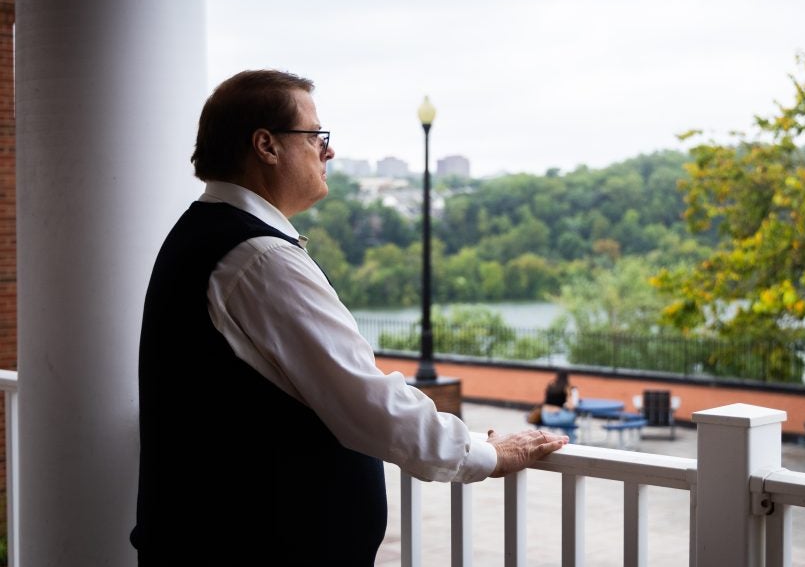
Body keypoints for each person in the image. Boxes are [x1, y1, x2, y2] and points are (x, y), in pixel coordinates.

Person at [131, 70, 567, 566]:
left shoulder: (203, 233)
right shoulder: (258, 259)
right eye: (316, 136)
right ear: (266, 146)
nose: (328, 151)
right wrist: (486, 455)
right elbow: (365, 401)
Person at [541, 369, 579, 443]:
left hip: (545, 416)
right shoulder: (566, 387)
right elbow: (571, 406)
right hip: (557, 417)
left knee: (568, 422)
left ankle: (570, 438)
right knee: (572, 416)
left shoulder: (551, 384)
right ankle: (572, 441)